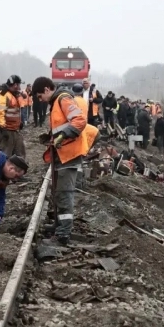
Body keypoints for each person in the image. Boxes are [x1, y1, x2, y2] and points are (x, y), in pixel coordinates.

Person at [33, 76, 98, 246]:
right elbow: (62, 125)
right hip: (62, 154)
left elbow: (79, 120)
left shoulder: (63, 99)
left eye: (40, 96)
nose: (40, 100)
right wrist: (52, 136)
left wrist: (63, 135)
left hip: (69, 154)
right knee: (58, 192)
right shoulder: (56, 101)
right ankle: (59, 225)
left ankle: (63, 234)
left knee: (64, 193)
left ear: (47, 89)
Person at [0, 75, 26, 159]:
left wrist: (19, 123)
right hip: (5, 130)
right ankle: (4, 167)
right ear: (15, 85)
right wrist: (3, 129)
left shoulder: (12, 94)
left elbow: (14, 111)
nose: (19, 87)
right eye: (19, 85)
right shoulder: (3, 95)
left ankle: (18, 166)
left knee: (19, 152)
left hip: (13, 129)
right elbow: (0, 113)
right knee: (5, 154)